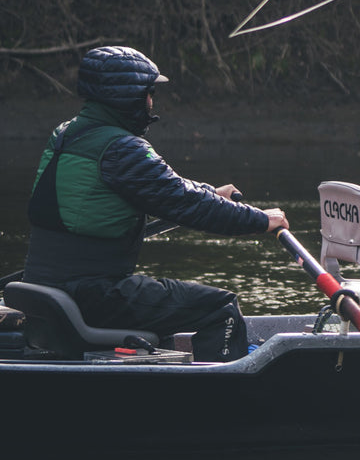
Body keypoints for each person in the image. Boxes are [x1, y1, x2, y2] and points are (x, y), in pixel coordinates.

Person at [21, 44, 289, 362]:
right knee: (221, 306)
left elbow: (167, 190)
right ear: (127, 96)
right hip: (92, 294)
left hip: (43, 287)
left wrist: (210, 192)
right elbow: (186, 203)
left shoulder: (66, 134)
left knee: (163, 308)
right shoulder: (122, 148)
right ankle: (222, 399)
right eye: (148, 93)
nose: (151, 103)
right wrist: (260, 219)